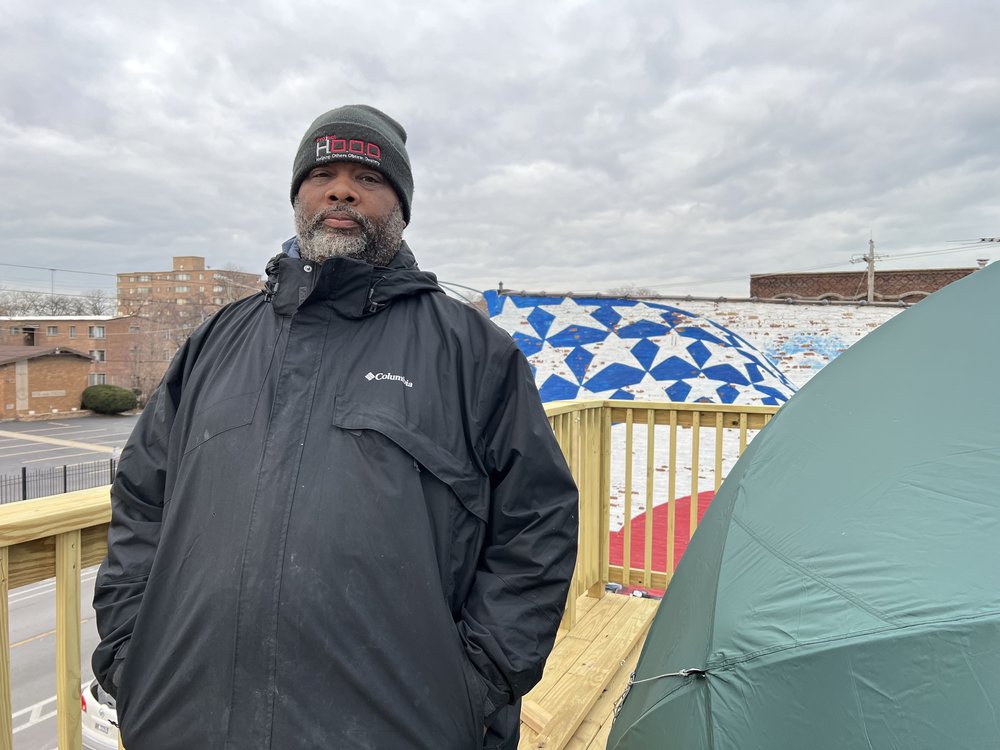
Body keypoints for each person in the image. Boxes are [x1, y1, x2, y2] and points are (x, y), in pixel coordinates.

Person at [92, 105, 579, 750]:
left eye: (368, 178)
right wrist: (131, 649)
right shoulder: (217, 342)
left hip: (401, 725)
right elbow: (141, 499)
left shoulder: (471, 353)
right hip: (187, 717)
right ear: (299, 195)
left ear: (401, 205)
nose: (341, 189)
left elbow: (536, 522)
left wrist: (476, 682)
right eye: (322, 173)